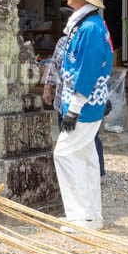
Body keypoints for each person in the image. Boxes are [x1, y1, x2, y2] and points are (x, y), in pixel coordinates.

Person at [53, 0, 114, 232]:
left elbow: (87, 72)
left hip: (83, 105)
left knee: (65, 153)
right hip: (86, 103)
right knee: (85, 156)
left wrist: (74, 109)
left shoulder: (89, 27)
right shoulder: (88, 24)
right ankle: (91, 216)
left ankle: (80, 217)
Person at [43, 27, 106, 178]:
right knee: (66, 136)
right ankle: (73, 173)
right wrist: (47, 87)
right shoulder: (63, 42)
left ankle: (97, 173)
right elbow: (53, 65)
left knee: (90, 139)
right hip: (62, 100)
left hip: (85, 103)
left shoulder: (93, 42)